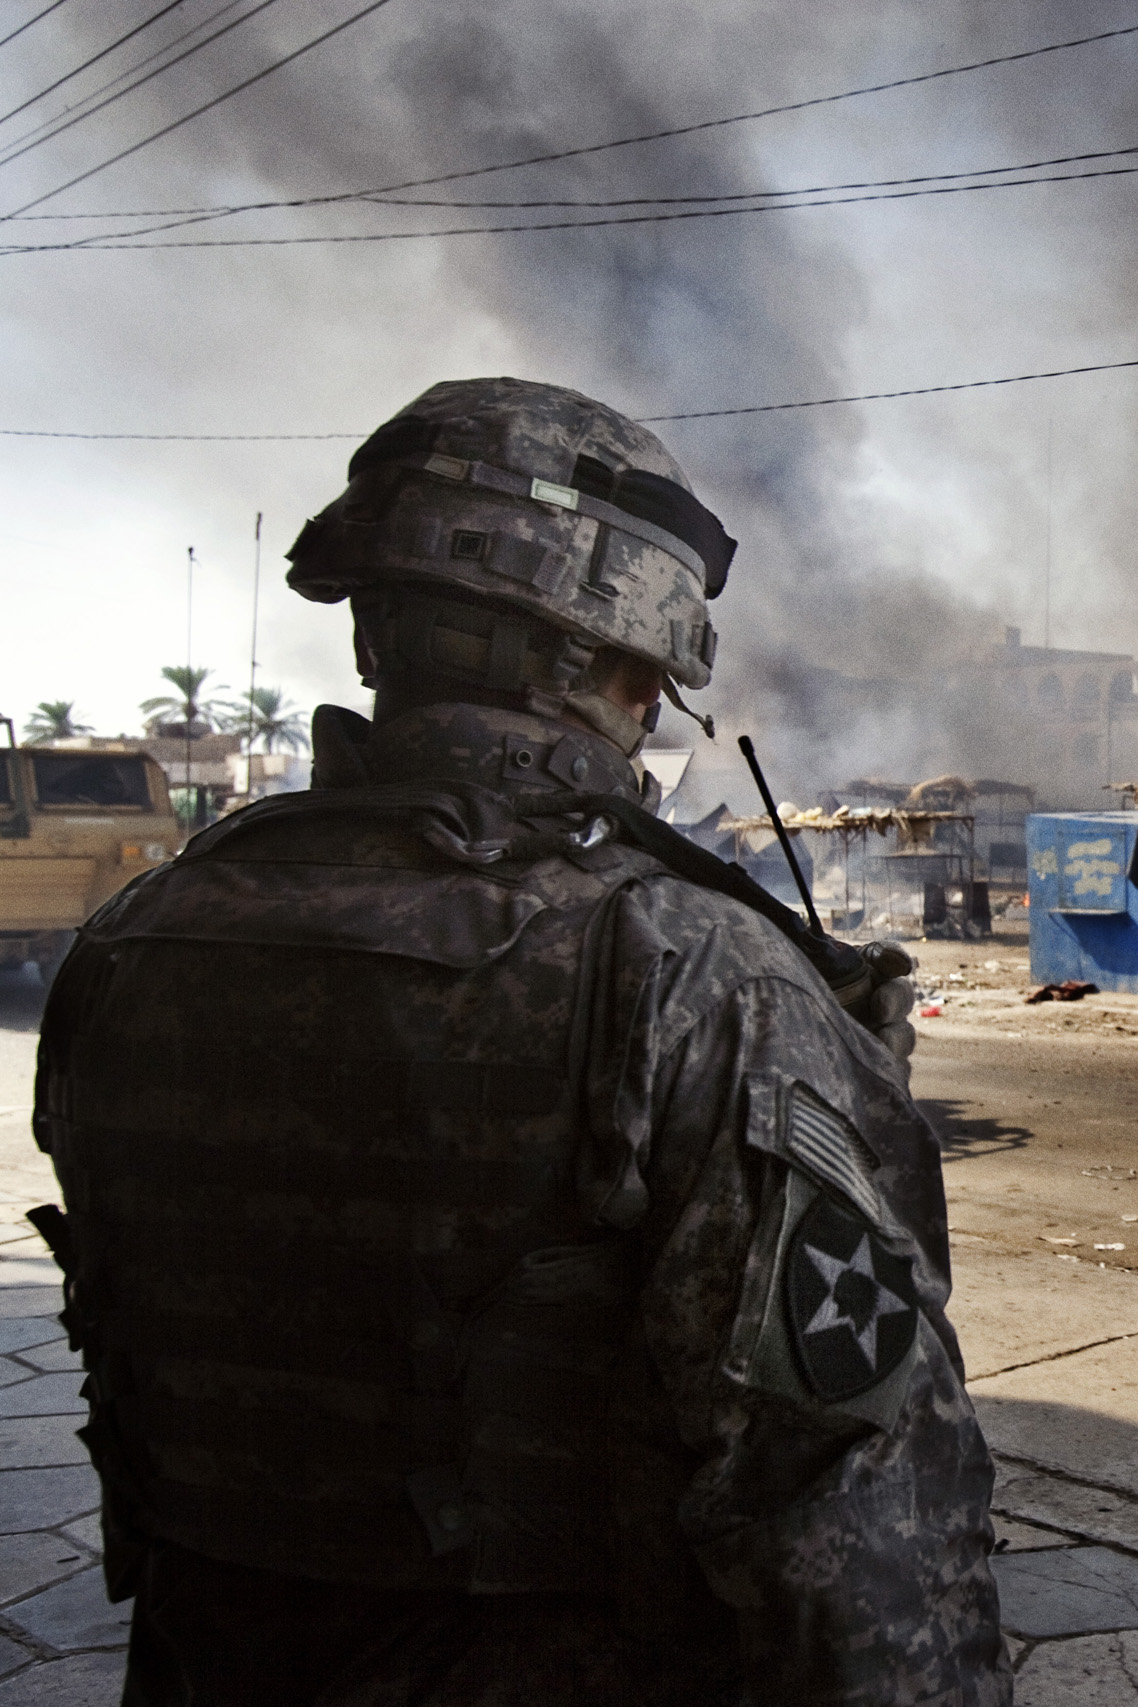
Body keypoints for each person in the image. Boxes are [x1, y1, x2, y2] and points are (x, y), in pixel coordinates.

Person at [31, 378, 1009, 1705]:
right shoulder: (685, 967)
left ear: (377, 624)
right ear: (618, 658)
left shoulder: (136, 936)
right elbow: (859, 1526)